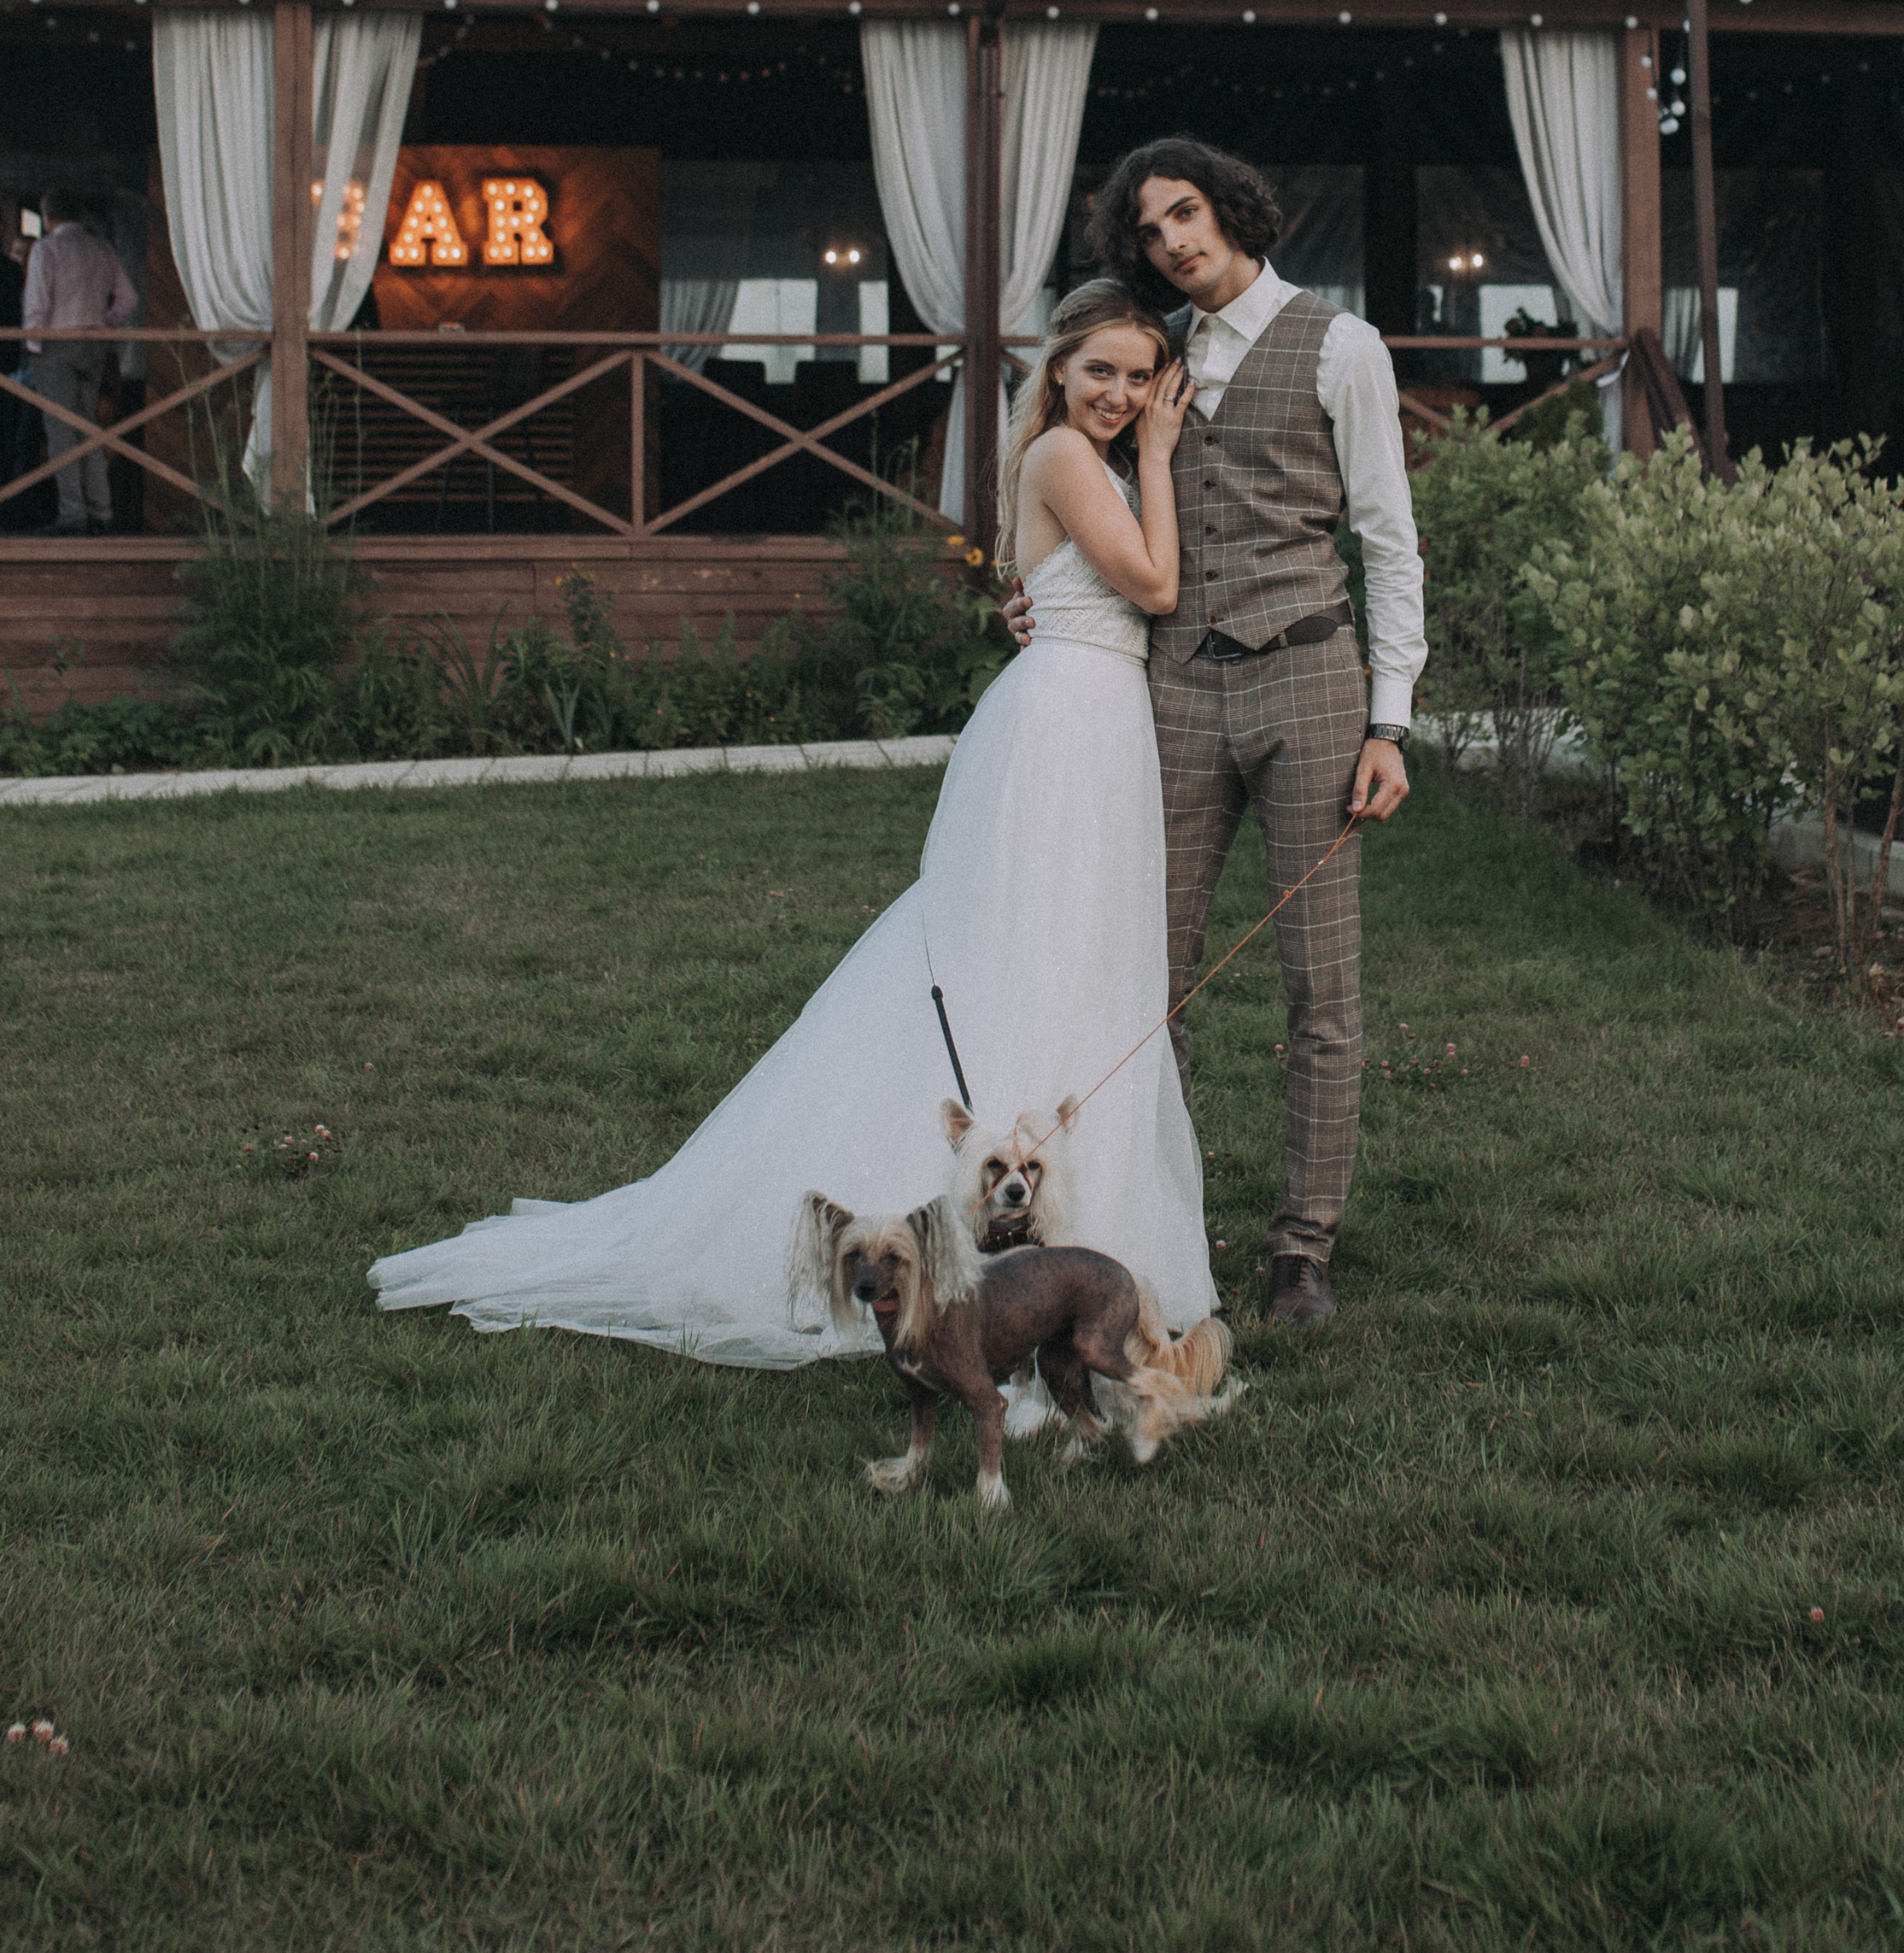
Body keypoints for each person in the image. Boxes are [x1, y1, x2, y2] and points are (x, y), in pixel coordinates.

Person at [371, 282, 1216, 1369]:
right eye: (1101, 370)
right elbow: (1150, 583)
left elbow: (1068, 587)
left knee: (1076, 961)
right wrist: (1157, 450)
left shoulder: (1075, 460)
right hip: (1064, 731)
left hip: (1098, 725)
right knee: (1025, 950)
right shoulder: (1064, 454)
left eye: (1142, 377)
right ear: (1057, 370)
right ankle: (995, 1226)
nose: (1122, 393)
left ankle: (1061, 1238)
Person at [1008, 138, 1425, 1333]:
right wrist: (1031, 591)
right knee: (1151, 976)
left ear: (1231, 207)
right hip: (1175, 689)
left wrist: (1389, 722)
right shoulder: (1148, 363)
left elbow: (1389, 541)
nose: (1174, 242)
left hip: (1310, 688)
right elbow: (1073, 498)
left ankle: (1302, 1249)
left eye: (1185, 212)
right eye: (1149, 230)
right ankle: (1152, 1223)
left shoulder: (1343, 349)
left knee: (1320, 987)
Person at [22, 191, 138, 534]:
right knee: (87, 428)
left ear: (46, 217)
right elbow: (128, 299)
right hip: (95, 346)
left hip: (58, 344)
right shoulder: (101, 248)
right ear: (82, 212)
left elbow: (37, 304)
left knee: (61, 432)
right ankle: (101, 511)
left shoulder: (47, 249)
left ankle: (73, 514)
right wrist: (106, 322)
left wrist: (32, 344)